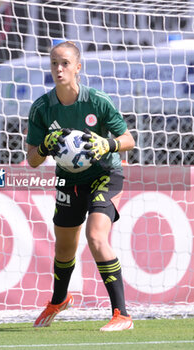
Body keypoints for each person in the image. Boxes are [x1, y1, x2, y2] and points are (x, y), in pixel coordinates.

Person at [26, 41, 135, 331]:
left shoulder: (97, 101)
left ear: (77, 67)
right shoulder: (41, 107)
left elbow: (128, 140)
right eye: (53, 63)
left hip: (104, 173)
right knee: (64, 249)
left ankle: (122, 314)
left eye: (64, 63)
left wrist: (106, 143)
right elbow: (32, 159)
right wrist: (46, 147)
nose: (58, 69)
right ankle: (59, 300)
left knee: (96, 236)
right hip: (68, 180)